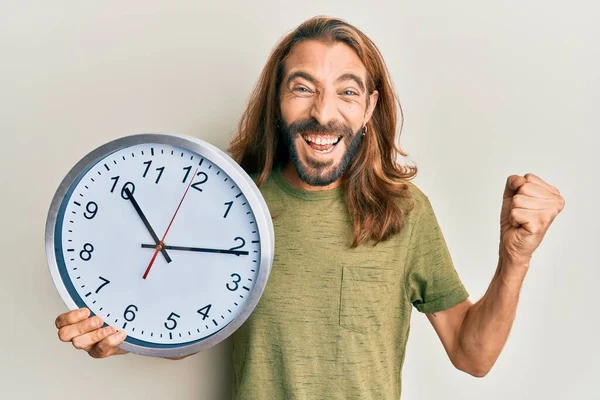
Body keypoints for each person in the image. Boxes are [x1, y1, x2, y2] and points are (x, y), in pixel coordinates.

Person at [53, 16, 565, 399]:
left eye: (346, 91)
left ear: (368, 107)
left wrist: (515, 256)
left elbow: (472, 357)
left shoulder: (405, 212)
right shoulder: (227, 202)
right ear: (277, 98)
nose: (324, 112)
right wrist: (121, 337)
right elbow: (183, 321)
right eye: (303, 88)